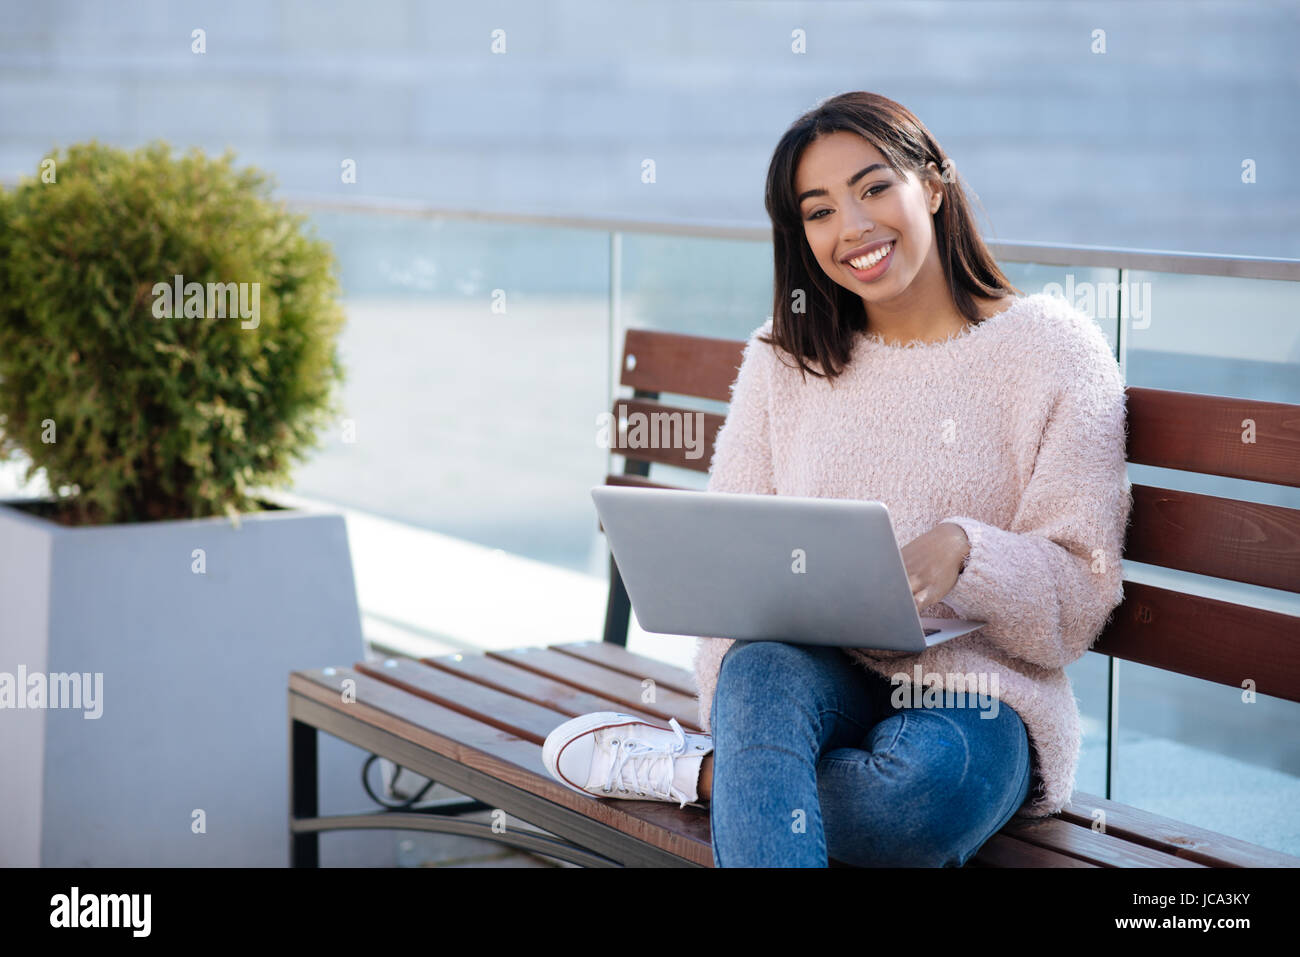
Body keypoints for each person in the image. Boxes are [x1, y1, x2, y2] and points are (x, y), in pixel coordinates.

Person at [543, 91, 1132, 867]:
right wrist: (746, 700)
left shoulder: (1056, 352)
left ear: (932, 183)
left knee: (908, 807)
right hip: (806, 678)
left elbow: (1080, 598)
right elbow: (733, 574)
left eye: (873, 187)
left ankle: (711, 776)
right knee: (756, 664)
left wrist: (966, 548)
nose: (852, 228)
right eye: (817, 211)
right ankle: (752, 765)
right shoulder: (786, 356)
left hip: (978, 697)